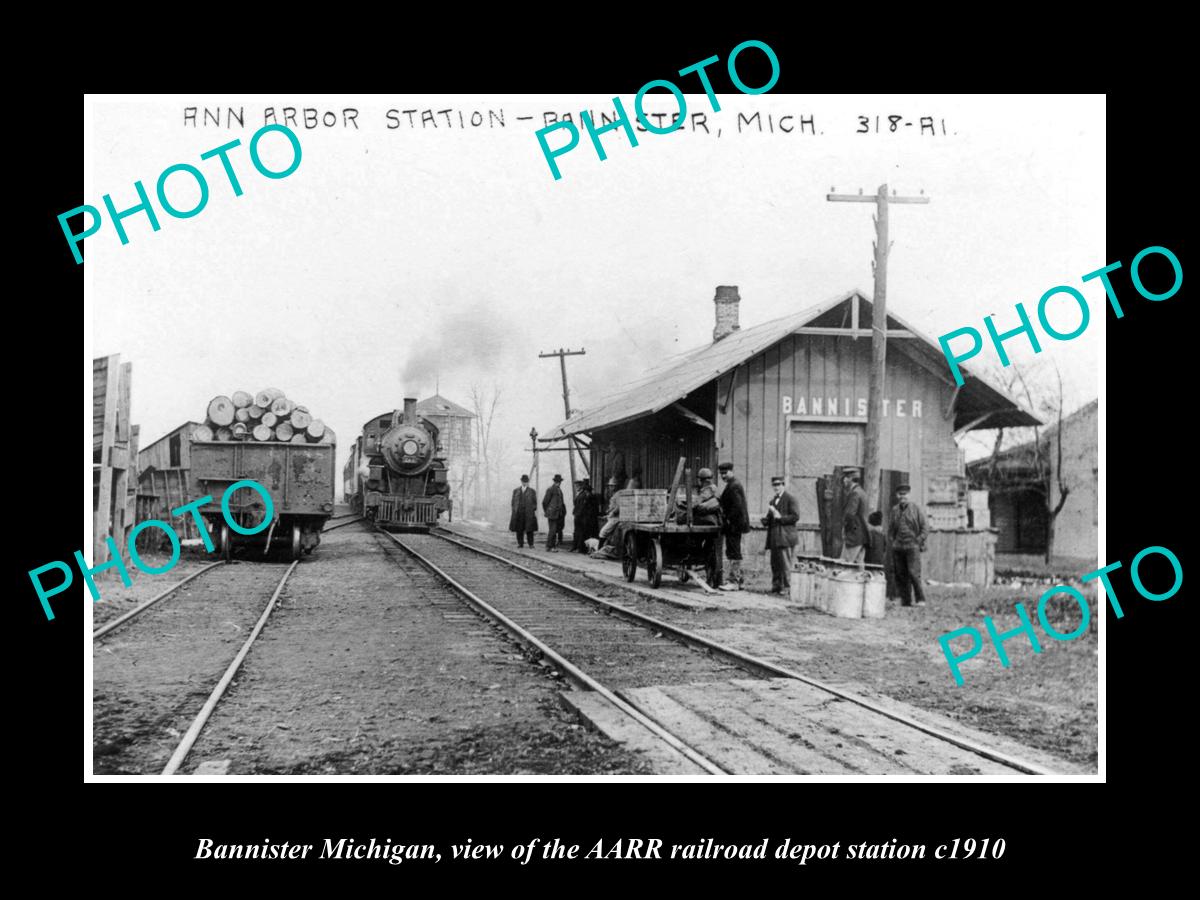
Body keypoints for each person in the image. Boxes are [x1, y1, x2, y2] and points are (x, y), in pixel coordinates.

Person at [888, 483, 928, 606]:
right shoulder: (894, 510)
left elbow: (925, 528)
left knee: (913, 573)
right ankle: (906, 600)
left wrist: (918, 541)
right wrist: (893, 542)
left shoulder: (916, 509)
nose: (902, 497)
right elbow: (890, 530)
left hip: (912, 546)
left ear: (909, 495)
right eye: (900, 494)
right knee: (900, 574)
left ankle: (920, 599)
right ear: (897, 495)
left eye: (904, 495)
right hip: (898, 547)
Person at [762, 475, 799, 593]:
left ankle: (788, 587)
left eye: (778, 484)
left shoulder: (790, 499)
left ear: (783, 485)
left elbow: (795, 517)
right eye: (774, 485)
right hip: (774, 536)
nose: (776, 487)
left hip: (786, 536)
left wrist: (780, 518)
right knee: (775, 562)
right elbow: (770, 517)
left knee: (785, 563)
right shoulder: (772, 501)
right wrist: (766, 520)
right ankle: (777, 585)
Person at [717, 462, 749, 591]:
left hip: (734, 525)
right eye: (721, 474)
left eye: (725, 473)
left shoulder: (734, 486)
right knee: (734, 551)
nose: (723, 476)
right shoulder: (732, 484)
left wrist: (728, 520)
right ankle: (740, 581)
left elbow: (737, 506)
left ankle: (733, 581)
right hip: (734, 524)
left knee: (733, 552)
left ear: (731, 472)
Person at [840, 468, 869, 564]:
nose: (844, 480)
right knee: (859, 567)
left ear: (851, 479)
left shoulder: (855, 493)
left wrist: (846, 532)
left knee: (846, 565)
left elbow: (849, 515)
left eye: (845, 478)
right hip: (862, 536)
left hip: (853, 537)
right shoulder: (862, 492)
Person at [509, 474, 538, 548]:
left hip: (528, 513)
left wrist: (531, 510)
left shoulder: (532, 491)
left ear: (528, 482)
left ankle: (531, 544)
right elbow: (513, 502)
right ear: (521, 481)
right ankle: (520, 543)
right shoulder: (516, 491)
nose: (524, 483)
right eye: (523, 481)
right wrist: (515, 510)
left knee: (529, 529)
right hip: (519, 513)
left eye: (526, 481)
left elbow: (535, 503)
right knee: (519, 529)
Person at [571, 478, 599, 552]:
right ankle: (576, 547)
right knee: (578, 532)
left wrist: (578, 514)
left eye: (578, 486)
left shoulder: (585, 496)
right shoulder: (582, 495)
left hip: (582, 516)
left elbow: (583, 507)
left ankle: (580, 548)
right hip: (579, 515)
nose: (577, 487)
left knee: (581, 532)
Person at [542, 474, 566, 551]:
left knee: (555, 530)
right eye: (557, 481)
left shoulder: (559, 490)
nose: (559, 483)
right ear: (555, 481)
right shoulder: (551, 489)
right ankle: (550, 546)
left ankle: (550, 546)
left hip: (558, 514)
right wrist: (548, 511)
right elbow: (545, 502)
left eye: (559, 481)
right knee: (552, 530)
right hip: (553, 514)